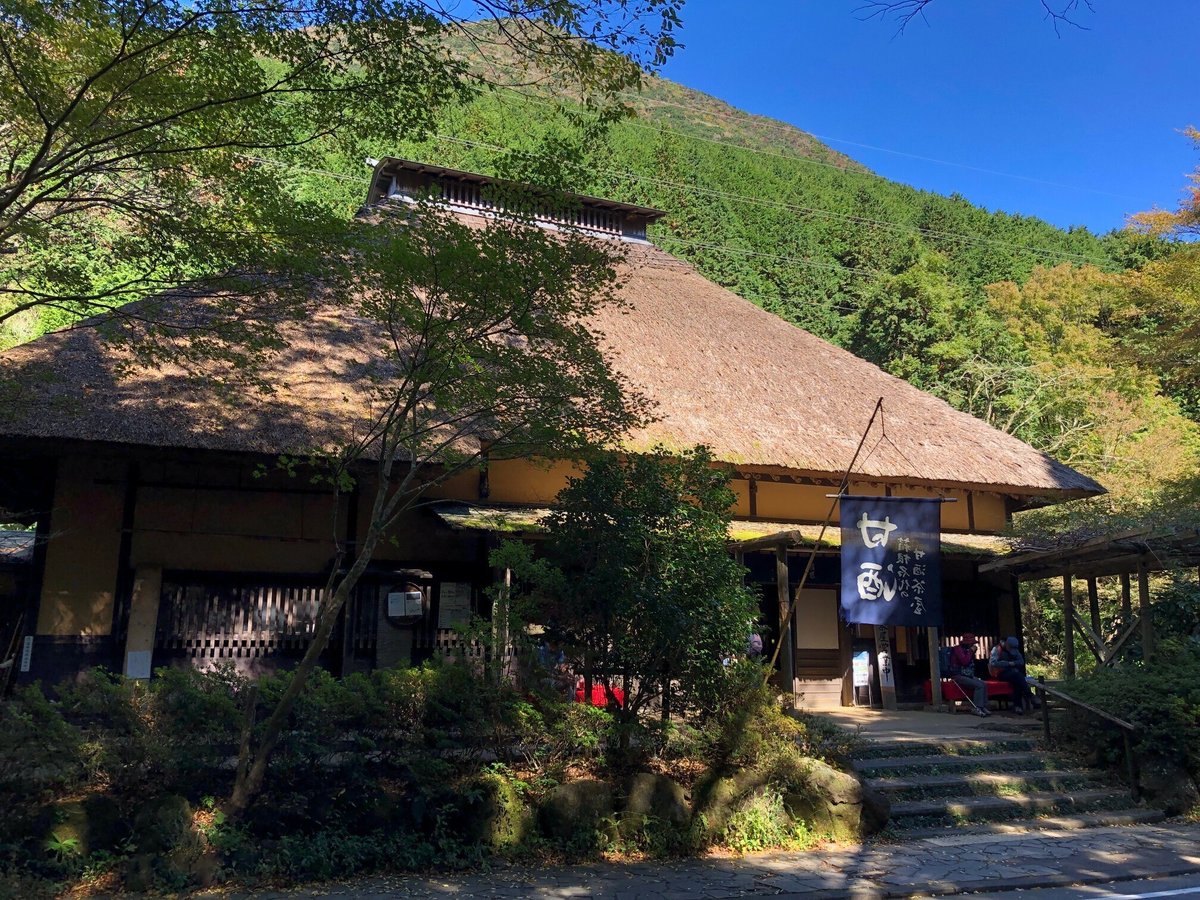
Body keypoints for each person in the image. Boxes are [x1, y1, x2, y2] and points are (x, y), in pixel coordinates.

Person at [989, 635, 1036, 714]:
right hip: (1001, 674)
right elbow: (993, 663)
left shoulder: (1015, 650)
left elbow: (1021, 661)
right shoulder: (996, 649)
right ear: (1006, 644)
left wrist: (1013, 663)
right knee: (1017, 676)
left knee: (1017, 681)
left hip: (1014, 673)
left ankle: (1018, 707)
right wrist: (1008, 664)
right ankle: (1029, 695)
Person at [948, 632, 989, 717]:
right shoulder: (958, 649)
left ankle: (983, 706)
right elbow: (965, 661)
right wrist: (971, 651)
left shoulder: (967, 650)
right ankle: (977, 707)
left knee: (984, 684)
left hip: (968, 674)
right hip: (958, 675)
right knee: (979, 686)